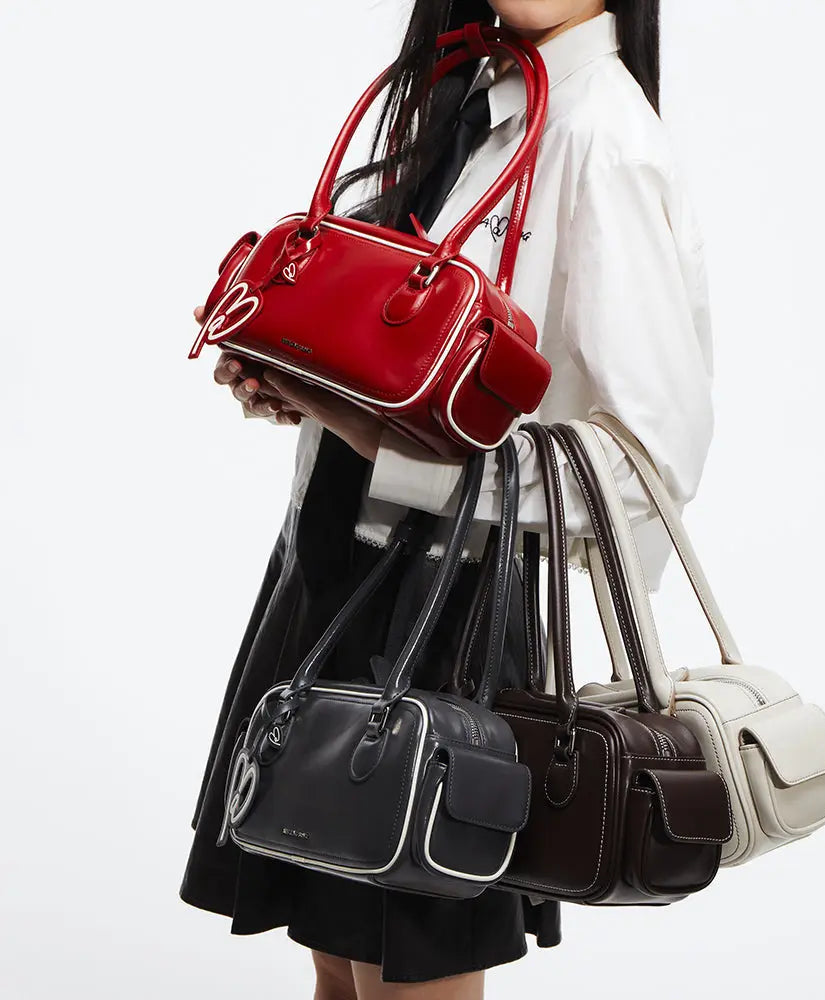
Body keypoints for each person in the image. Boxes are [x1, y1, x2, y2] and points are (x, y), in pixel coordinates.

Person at [180, 2, 715, 998]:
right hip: (337, 571)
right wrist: (302, 387)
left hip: (453, 610)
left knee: (408, 964)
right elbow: (408, 363)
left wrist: (383, 439)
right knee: (340, 960)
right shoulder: (461, 94)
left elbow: (644, 458)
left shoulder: (603, 131)